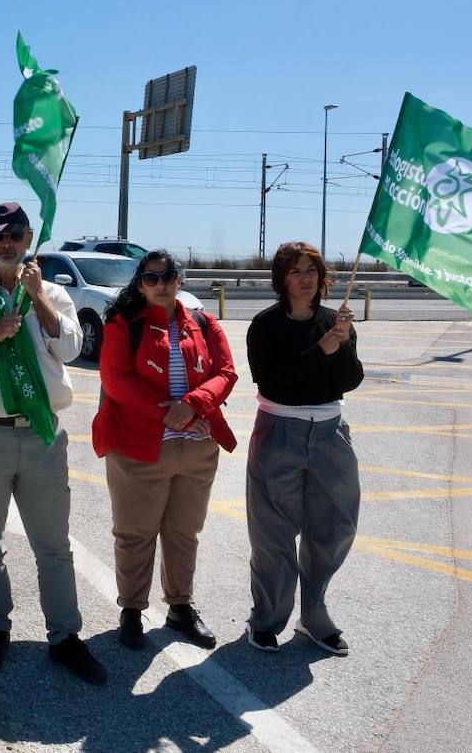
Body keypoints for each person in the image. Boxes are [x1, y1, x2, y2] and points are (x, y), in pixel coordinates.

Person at [0, 201, 107, 685]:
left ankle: (65, 637)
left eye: (16, 236)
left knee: (53, 543)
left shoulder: (51, 292)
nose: (6, 244)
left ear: (29, 240)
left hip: (42, 435)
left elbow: (72, 347)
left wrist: (38, 298)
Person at [91, 250, 238, 651]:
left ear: (179, 280)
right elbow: (117, 381)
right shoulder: (124, 323)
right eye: (151, 279)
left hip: (197, 450)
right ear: (140, 284)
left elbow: (226, 372)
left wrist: (193, 404)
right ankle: (132, 610)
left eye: (167, 276)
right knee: (135, 534)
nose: (160, 285)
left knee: (183, 533)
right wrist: (182, 415)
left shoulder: (204, 323)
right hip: (138, 447)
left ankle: (180, 607)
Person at [244, 241, 363, 656]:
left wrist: (343, 342)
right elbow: (274, 381)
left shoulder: (335, 321)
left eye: (312, 270)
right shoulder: (265, 325)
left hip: (331, 432)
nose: (306, 279)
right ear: (281, 279)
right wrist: (323, 350)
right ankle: (266, 618)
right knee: (274, 531)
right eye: (296, 271)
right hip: (280, 430)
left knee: (335, 526)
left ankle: (314, 614)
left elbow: (350, 380)